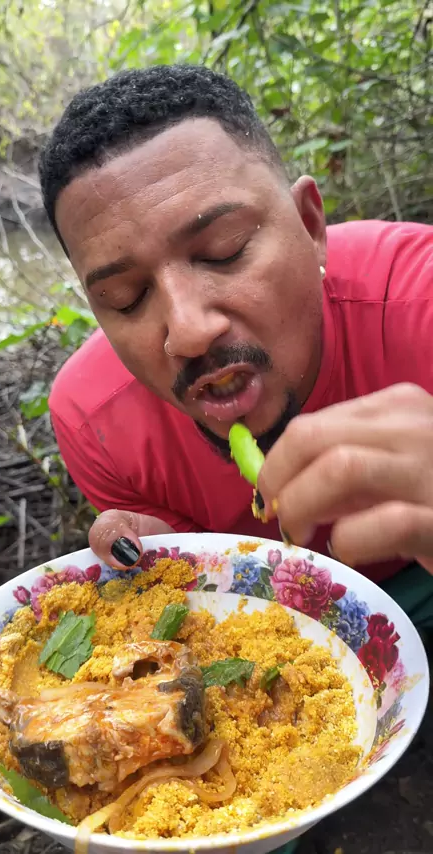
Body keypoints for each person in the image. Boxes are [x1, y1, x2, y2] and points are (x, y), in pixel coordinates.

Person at [41, 64, 431, 852]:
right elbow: (210, 613)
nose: (187, 330)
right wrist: (167, 573)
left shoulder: (419, 302)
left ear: (311, 225)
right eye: (126, 299)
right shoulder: (93, 419)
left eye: (222, 251)